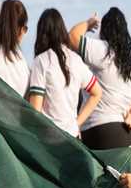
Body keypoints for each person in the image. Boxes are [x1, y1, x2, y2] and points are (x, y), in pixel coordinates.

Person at [70, 7, 131, 149]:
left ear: (105, 30)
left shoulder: (103, 50)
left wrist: (88, 23)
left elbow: (72, 37)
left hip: (96, 130)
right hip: (124, 133)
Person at [29, 8, 102, 137]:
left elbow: (35, 111)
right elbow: (97, 92)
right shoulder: (76, 60)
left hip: (49, 140)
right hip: (72, 138)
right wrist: (77, 123)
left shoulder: (41, 61)